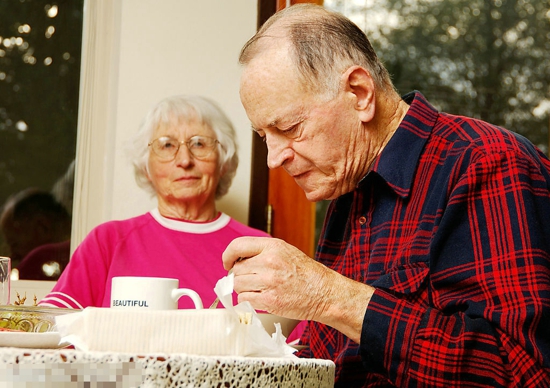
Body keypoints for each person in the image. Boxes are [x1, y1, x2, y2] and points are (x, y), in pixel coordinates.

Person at [222, 4, 550, 387]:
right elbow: (336, 362)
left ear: (360, 94)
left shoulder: (486, 162)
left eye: (290, 128)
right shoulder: (348, 188)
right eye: (265, 137)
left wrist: (328, 295)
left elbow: (524, 371)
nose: (274, 159)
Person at [39, 95, 271, 311]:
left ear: (224, 162)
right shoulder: (107, 242)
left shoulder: (259, 248)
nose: (184, 160)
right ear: (146, 167)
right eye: (167, 145)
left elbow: (291, 346)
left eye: (199, 144)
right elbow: (52, 327)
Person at [0, 188, 71, 280]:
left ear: (43, 228)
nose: (13, 256)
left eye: (15, 244)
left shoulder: (37, 260)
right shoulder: (85, 255)